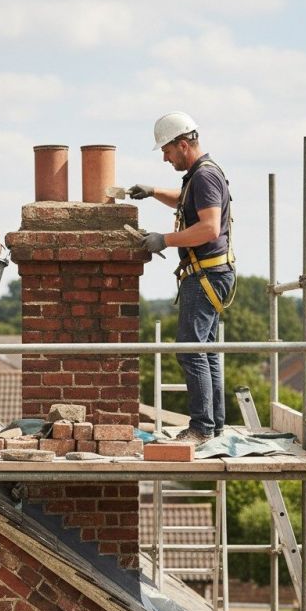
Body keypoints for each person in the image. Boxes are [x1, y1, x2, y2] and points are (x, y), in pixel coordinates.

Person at [130, 111, 235, 445]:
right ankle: (213, 425)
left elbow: (208, 228)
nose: (164, 156)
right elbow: (185, 202)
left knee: (191, 350)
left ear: (183, 144)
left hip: (205, 274)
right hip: (213, 273)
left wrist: (165, 239)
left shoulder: (203, 177)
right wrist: (152, 191)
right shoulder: (200, 175)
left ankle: (201, 428)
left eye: (167, 150)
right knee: (205, 349)